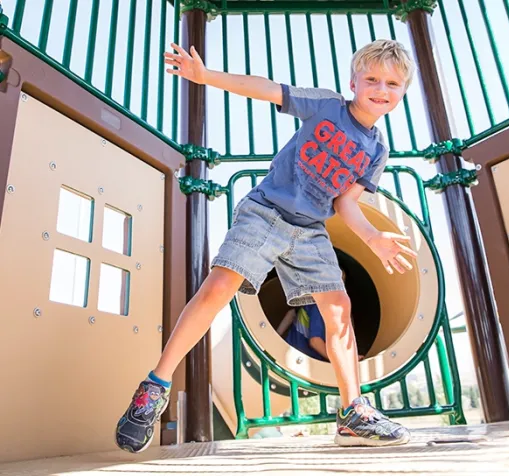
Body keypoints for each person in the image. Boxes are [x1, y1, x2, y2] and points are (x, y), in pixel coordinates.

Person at [115, 38, 417, 452]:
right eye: (372, 79)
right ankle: (155, 386)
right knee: (219, 286)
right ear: (353, 82)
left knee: (339, 308)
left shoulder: (378, 149)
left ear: (403, 92)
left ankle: (352, 412)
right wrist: (205, 77)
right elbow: (268, 88)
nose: (381, 89)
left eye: (393, 84)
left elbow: (346, 201)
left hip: (310, 229)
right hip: (267, 211)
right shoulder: (328, 106)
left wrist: (372, 237)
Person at [277, 270, 364, 362]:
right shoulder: (321, 308)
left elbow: (292, 314)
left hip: (290, 351)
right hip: (305, 359)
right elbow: (315, 342)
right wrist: (341, 361)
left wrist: (276, 336)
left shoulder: (311, 299)